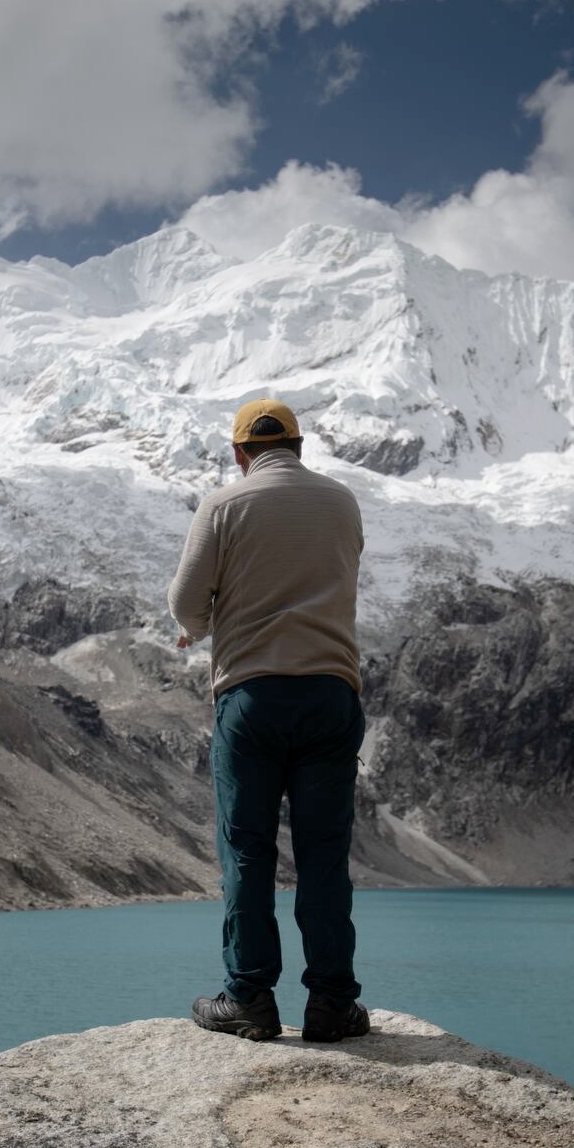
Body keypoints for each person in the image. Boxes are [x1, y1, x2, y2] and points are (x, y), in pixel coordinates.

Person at [168, 397, 369, 1044]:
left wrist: (198, 627)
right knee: (323, 855)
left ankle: (250, 997)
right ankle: (333, 1004)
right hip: (331, 695)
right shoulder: (342, 503)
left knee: (249, 850)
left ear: (239, 454)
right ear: (300, 446)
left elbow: (186, 601)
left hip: (252, 699)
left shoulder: (223, 506)